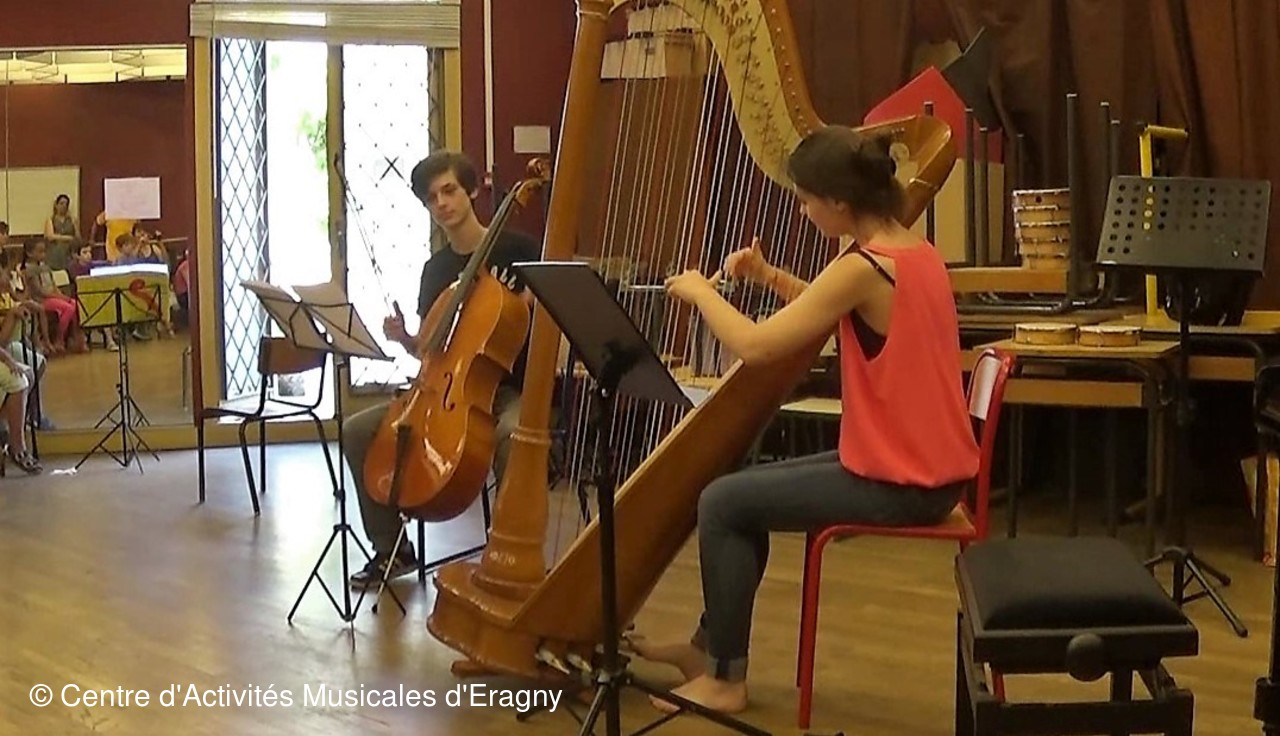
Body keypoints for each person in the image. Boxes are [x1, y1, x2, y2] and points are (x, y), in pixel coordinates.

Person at [635, 125, 979, 713]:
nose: (802, 209)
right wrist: (768, 276)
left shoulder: (863, 266)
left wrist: (699, 293)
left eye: (806, 199)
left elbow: (757, 346)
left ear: (839, 203)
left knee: (723, 502)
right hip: (925, 467)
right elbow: (834, 304)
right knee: (738, 491)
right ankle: (708, 650)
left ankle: (725, 680)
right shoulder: (911, 252)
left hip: (904, 482)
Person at [343, 150, 540, 588]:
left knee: (513, 434)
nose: (442, 203)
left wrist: (531, 303)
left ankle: (509, 554)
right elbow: (432, 353)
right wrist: (405, 338)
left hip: (509, 388)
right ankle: (392, 550)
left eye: (449, 191)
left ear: (471, 191)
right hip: (447, 391)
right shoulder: (436, 271)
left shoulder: (520, 250)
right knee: (357, 431)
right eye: (432, 198)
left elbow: (552, 315)